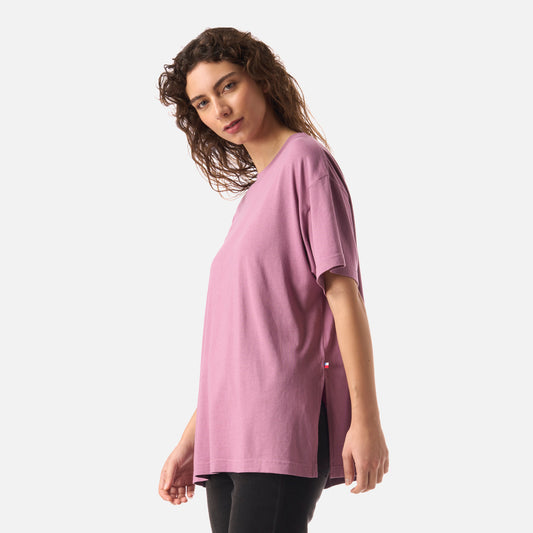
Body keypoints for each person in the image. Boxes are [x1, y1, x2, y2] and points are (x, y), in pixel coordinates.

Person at [157, 27, 389, 533]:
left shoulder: (306, 163)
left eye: (228, 85)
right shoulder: (251, 203)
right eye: (202, 102)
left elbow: (343, 296)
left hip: (281, 425)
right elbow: (242, 345)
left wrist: (365, 420)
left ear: (261, 79)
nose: (220, 109)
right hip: (227, 435)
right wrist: (190, 440)